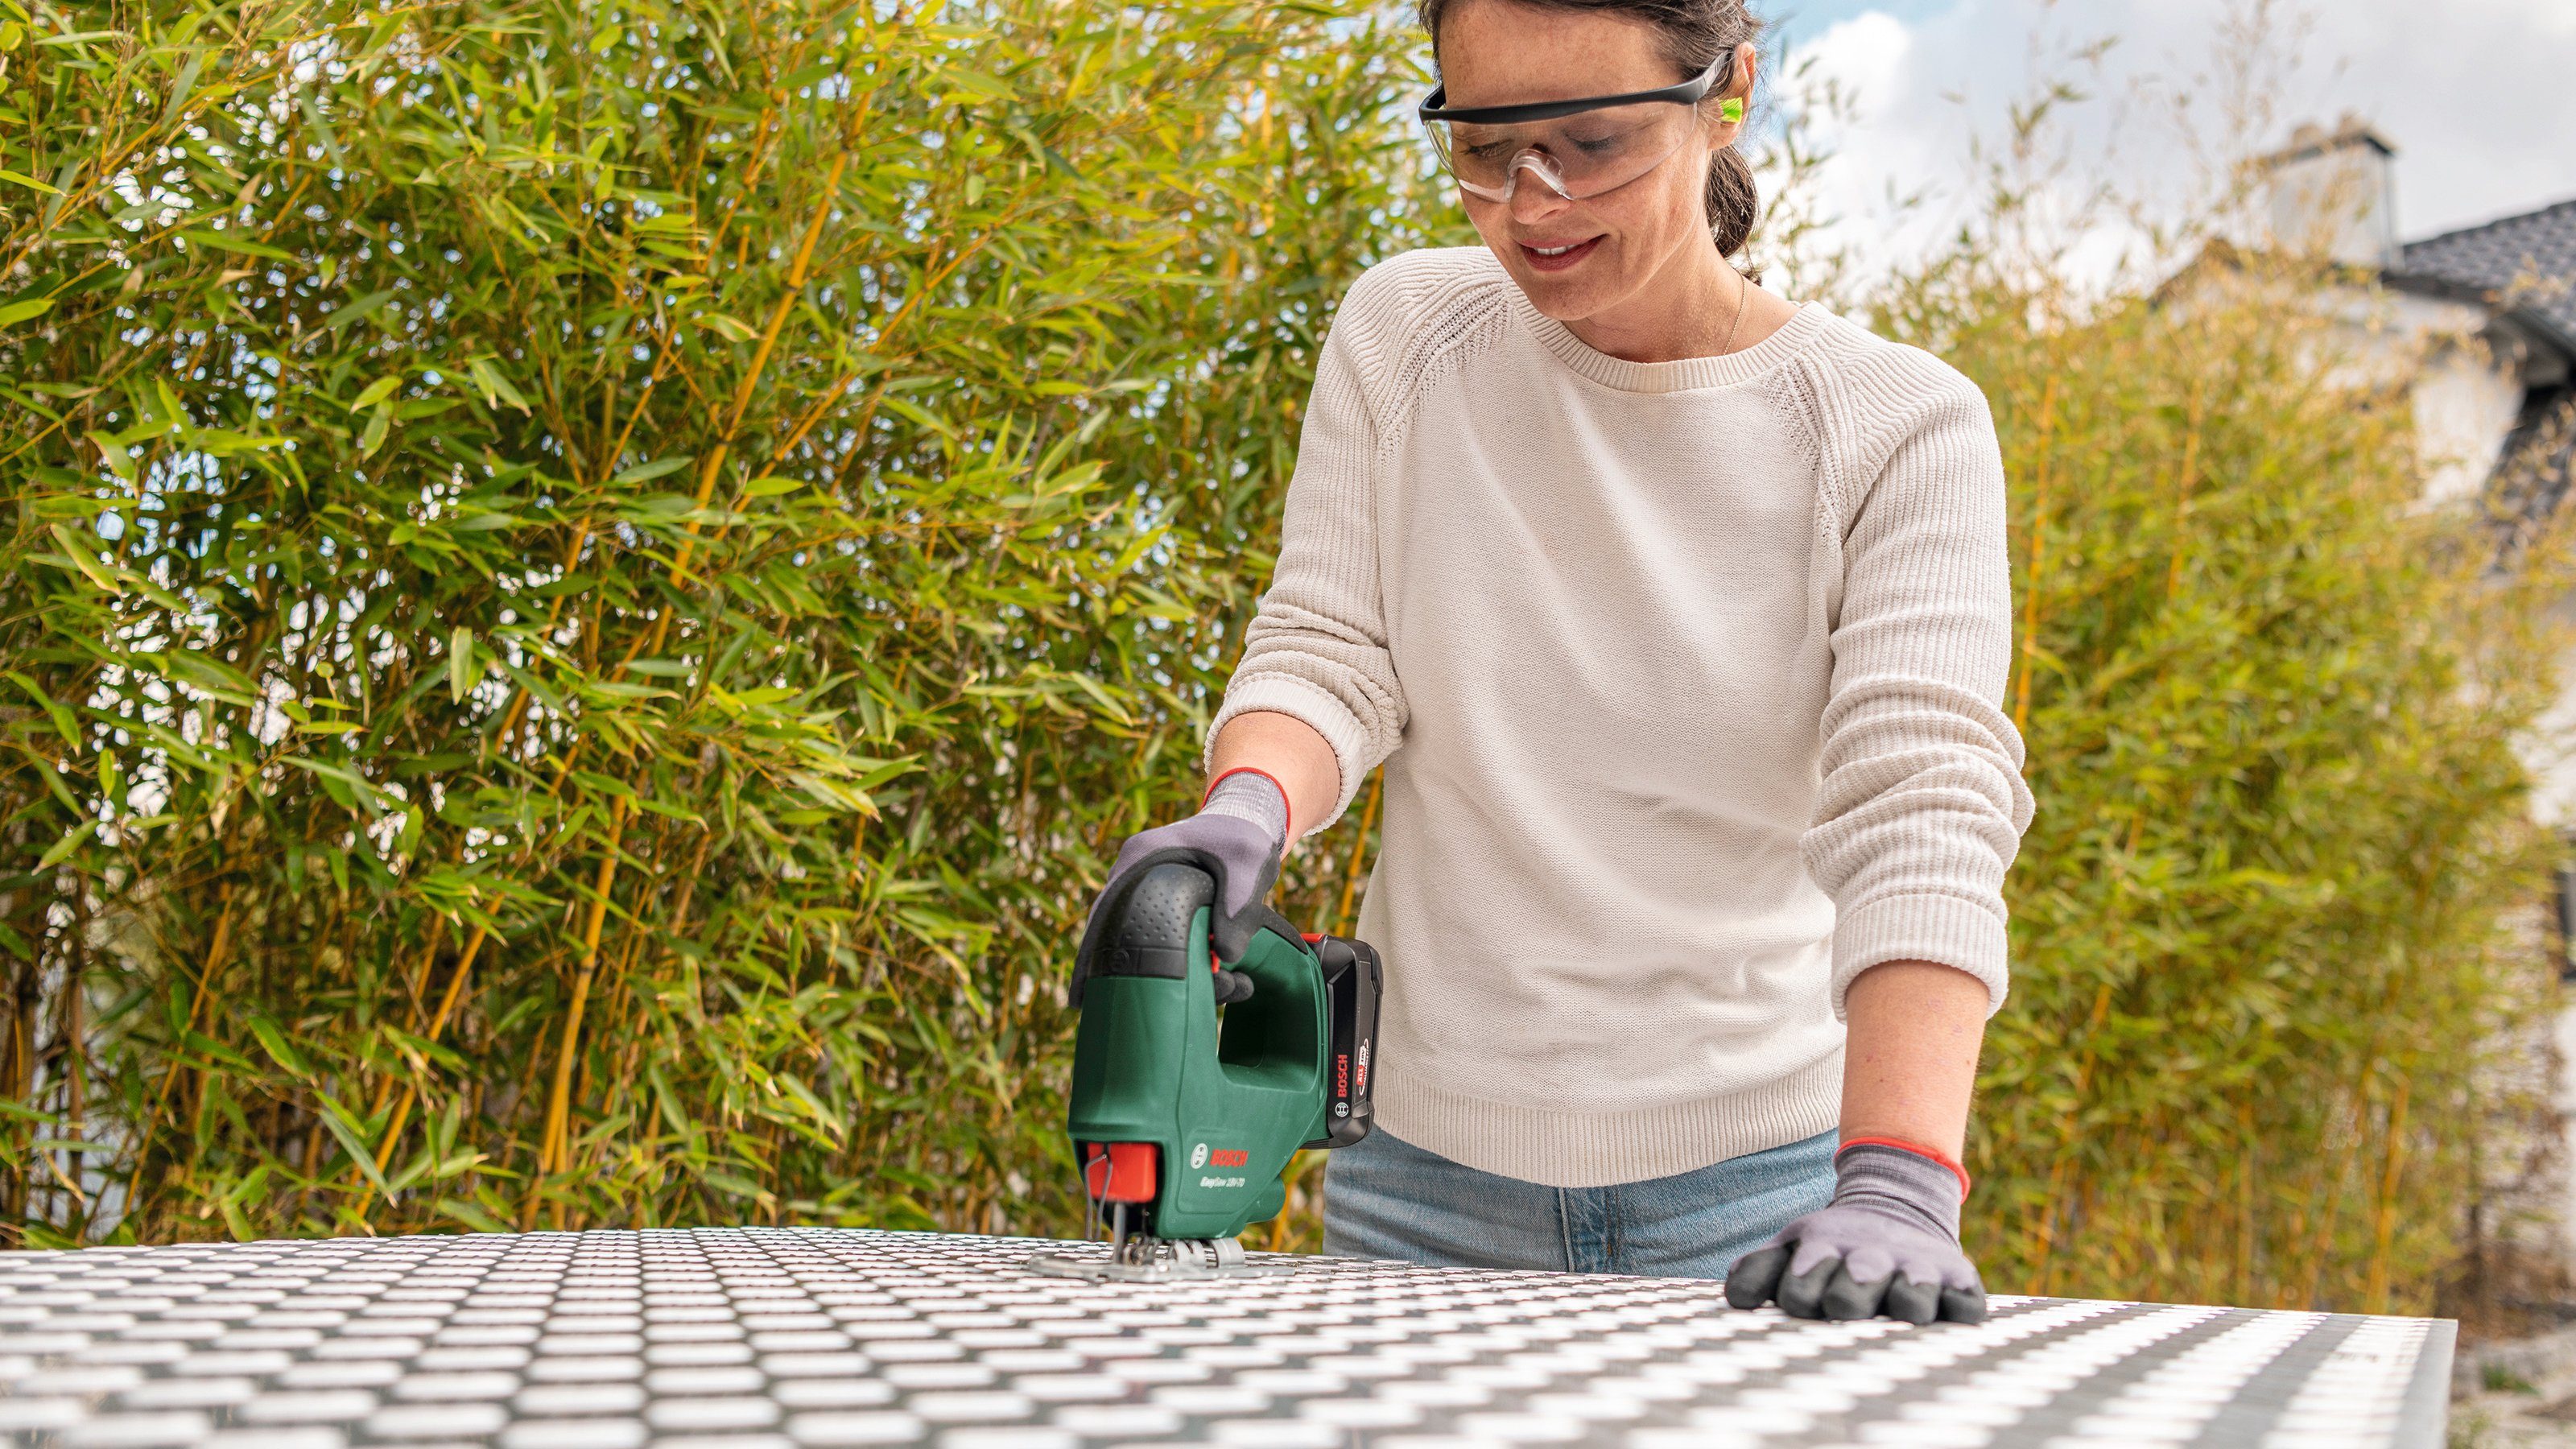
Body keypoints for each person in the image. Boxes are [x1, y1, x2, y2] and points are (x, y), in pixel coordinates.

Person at [1086, 0, 2032, 1325]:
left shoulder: (1896, 427)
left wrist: (1899, 1181)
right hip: (1419, 1179)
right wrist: (1249, 804)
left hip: (1766, 1198)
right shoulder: (1407, 335)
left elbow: (1920, 809)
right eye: (1484, 142)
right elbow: (1332, 652)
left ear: (1730, 92)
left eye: (1590, 142)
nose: (1531, 202)